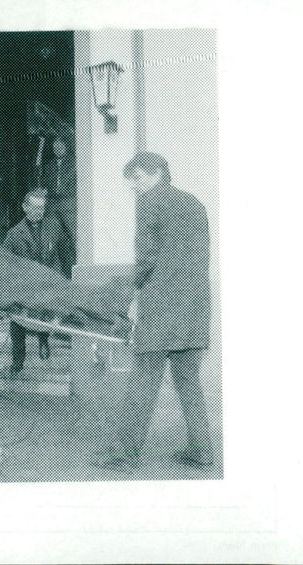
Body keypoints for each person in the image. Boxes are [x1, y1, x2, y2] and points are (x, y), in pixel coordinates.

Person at [94, 152, 214, 471]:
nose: (135, 185)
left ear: (158, 172)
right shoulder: (195, 203)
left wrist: (130, 295)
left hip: (162, 307)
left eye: (138, 177)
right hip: (196, 306)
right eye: (132, 180)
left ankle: (122, 454)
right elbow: (199, 257)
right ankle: (202, 451)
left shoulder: (150, 202)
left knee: (143, 380)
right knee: (188, 382)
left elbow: (147, 259)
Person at [2, 188, 66, 374]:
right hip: (23, 286)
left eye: (42, 208)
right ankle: (17, 360)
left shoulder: (53, 226)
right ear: (25, 207)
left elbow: (60, 254)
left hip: (45, 282)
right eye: (35, 207)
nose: (39, 211)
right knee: (17, 323)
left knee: (44, 315)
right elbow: (5, 262)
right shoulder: (14, 234)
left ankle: (43, 340)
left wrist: (59, 279)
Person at [41, 136, 76, 277]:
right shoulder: (49, 166)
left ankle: (72, 274)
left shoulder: (74, 163)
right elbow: (44, 185)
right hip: (52, 206)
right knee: (51, 240)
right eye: (55, 148)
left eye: (60, 147)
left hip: (69, 204)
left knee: (72, 239)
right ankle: (53, 275)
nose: (57, 150)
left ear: (66, 147)